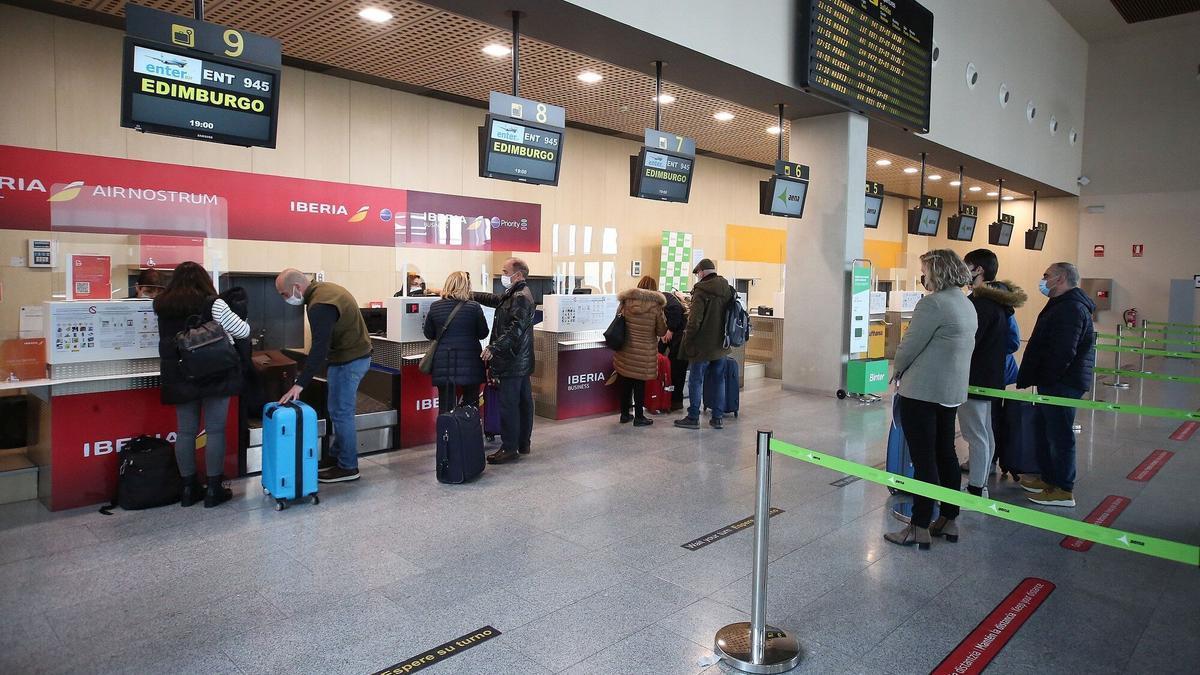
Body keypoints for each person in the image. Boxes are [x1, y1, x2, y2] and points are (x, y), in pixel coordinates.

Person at [884, 250, 976, 550]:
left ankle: (919, 525)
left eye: (924, 271)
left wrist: (896, 369)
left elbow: (910, 345)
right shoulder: (964, 302)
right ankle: (949, 517)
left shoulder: (933, 304)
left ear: (937, 271)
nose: (922, 277)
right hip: (949, 391)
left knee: (923, 459)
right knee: (945, 453)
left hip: (922, 392)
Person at [153, 261, 249, 508]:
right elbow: (242, 331)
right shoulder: (213, 303)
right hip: (214, 372)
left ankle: (188, 488)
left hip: (179, 374)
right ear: (204, 280)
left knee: (185, 431)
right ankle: (213, 489)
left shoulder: (162, 305)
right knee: (215, 430)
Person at [275, 268, 373, 483]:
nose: (285, 299)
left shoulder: (319, 305)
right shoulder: (325, 290)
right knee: (336, 409)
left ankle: (348, 467)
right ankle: (337, 457)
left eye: (284, 294)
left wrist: (300, 384)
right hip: (349, 356)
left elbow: (320, 347)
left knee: (341, 412)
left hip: (351, 359)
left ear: (296, 288)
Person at [1016, 262, 1095, 507]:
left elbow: (1063, 351)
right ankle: (1049, 478)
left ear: (1060, 278)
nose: (1043, 280)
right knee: (1047, 431)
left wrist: (1048, 379)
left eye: (1046, 275)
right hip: (1055, 382)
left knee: (1060, 435)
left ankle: (1063, 488)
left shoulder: (1071, 308)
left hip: (1062, 383)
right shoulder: (1063, 304)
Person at [960, 249, 1027, 496]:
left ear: (978, 269)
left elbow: (968, 341)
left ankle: (977, 486)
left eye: (966, 265)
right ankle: (984, 471)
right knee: (985, 429)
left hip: (975, 377)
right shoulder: (1000, 303)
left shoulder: (978, 305)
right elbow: (1011, 342)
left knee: (975, 432)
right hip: (992, 376)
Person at [472, 258, 535, 464]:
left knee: (509, 405)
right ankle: (523, 443)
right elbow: (494, 299)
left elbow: (515, 330)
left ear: (517, 275)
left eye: (505, 271)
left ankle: (509, 448)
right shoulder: (514, 294)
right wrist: (470, 294)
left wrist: (493, 347)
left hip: (512, 361)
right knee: (524, 402)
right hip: (520, 360)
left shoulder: (521, 297)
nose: (502, 275)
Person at [674, 259, 734, 430]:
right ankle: (717, 418)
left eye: (697, 273)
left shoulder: (701, 291)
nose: (697, 276)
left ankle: (693, 416)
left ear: (701, 272)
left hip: (702, 346)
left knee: (696, 380)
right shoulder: (726, 288)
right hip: (721, 345)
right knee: (718, 381)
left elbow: (694, 321)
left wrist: (688, 340)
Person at [423, 271, 489, 413]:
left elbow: (429, 334)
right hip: (471, 363)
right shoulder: (474, 307)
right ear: (466, 286)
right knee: (471, 406)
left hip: (445, 362)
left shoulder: (435, 306)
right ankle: (468, 434)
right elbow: (483, 333)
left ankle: (446, 434)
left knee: (446, 407)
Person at [613, 277, 667, 426]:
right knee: (639, 384)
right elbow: (662, 331)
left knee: (625, 381)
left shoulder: (626, 301)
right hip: (645, 351)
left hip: (626, 349)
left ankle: (624, 414)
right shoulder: (656, 306)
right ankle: (639, 417)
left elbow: (617, 320)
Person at [656, 280, 689, 412]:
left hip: (680, 343)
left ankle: (675, 402)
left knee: (677, 372)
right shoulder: (665, 298)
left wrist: (670, 330)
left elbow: (675, 311)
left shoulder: (666, 300)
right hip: (678, 341)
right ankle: (668, 400)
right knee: (674, 371)